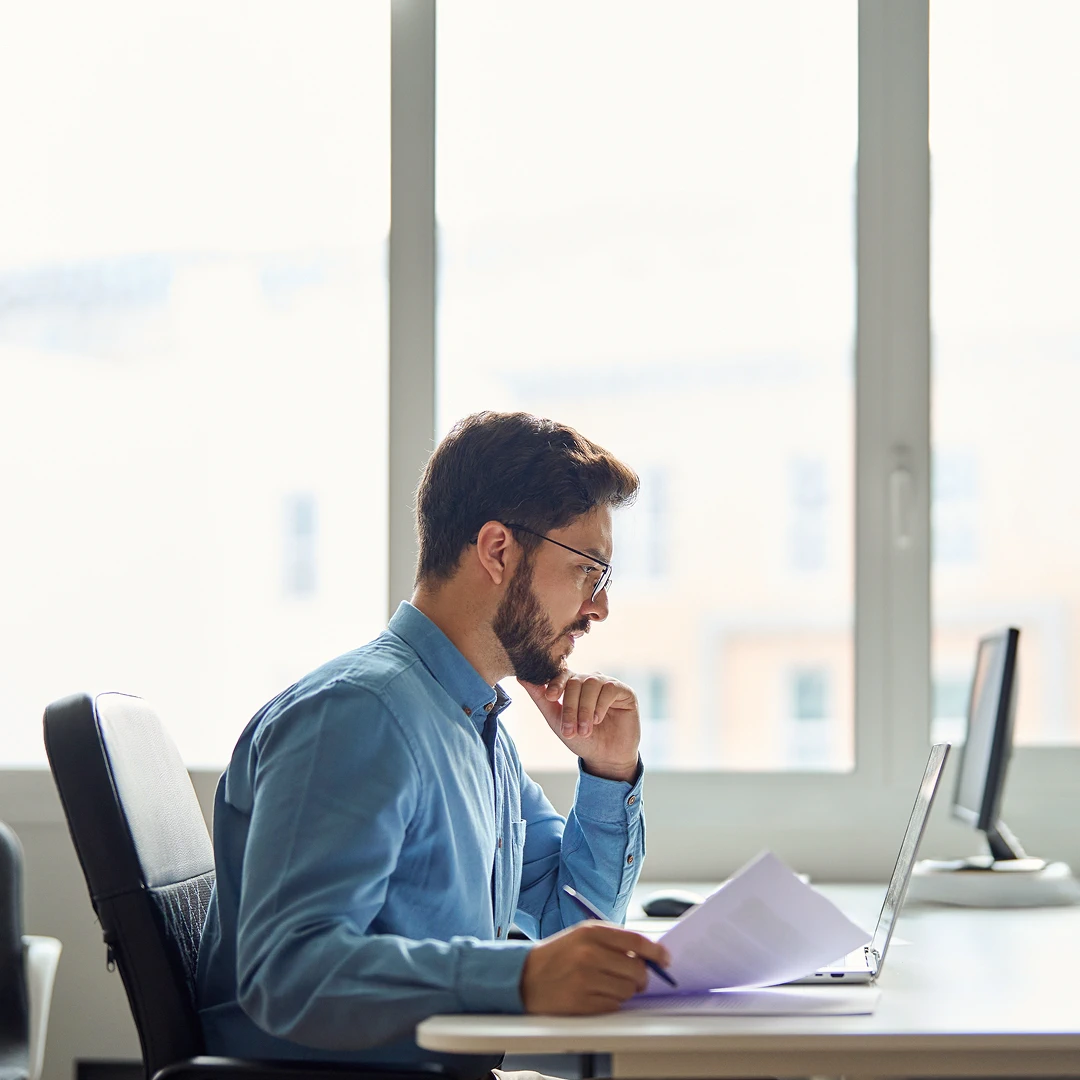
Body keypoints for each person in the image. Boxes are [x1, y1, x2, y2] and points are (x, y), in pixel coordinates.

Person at [196, 411, 671, 1078]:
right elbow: (290, 973)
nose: (599, 609)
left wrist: (610, 772)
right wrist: (520, 977)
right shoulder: (359, 715)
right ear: (499, 550)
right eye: (589, 572)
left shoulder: (474, 726)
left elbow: (567, 923)